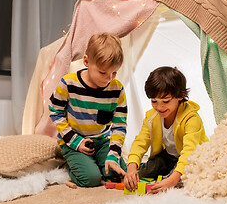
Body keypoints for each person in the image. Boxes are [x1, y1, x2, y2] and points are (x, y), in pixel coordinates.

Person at [49, 33, 127, 187]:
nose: (108, 78)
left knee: (118, 174)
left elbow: (119, 125)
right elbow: (55, 111)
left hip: (103, 141)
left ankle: (97, 163)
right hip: (74, 141)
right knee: (91, 179)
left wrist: (113, 154)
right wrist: (76, 142)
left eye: (114, 73)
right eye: (103, 72)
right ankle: (71, 168)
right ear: (86, 61)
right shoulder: (69, 83)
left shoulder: (117, 88)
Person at [124, 66, 209, 194]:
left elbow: (189, 152)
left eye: (165, 101)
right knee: (142, 173)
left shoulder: (191, 118)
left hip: (193, 158)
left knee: (177, 180)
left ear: (180, 96)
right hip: (168, 157)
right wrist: (131, 166)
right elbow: (141, 141)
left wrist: (173, 179)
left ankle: (172, 176)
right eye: (154, 101)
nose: (159, 107)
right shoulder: (151, 116)